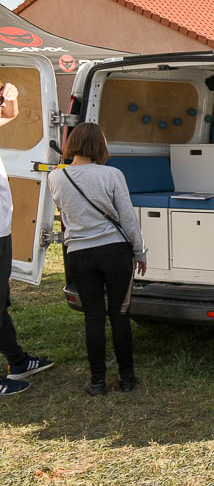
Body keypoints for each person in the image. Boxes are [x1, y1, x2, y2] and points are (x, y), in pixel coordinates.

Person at [48, 123, 146, 396]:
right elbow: (127, 217)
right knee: (119, 315)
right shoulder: (112, 174)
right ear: (99, 145)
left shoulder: (56, 177)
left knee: (93, 317)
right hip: (115, 251)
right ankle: (127, 378)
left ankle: (97, 382)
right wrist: (139, 251)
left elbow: (65, 213)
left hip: (79, 253)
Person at [0, 82, 54, 396]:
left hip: (2, 231)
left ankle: (18, 362)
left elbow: (10, 113)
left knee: (1, 301)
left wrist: (12, 94)